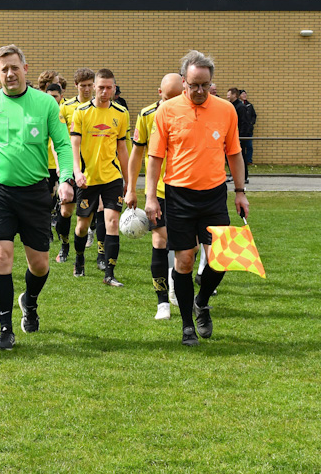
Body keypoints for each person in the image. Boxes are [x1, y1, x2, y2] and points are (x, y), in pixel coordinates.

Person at [0, 45, 74, 351]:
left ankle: (30, 301)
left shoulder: (46, 105)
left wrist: (65, 180)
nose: (9, 73)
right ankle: (5, 329)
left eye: (14, 67)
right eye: (3, 69)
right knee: (1, 257)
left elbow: (62, 145)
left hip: (35, 193)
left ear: (25, 67)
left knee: (39, 265)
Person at [145, 50, 248, 346]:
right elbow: (154, 159)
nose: (200, 91)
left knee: (222, 258)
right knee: (185, 260)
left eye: (205, 85)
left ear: (211, 82)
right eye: (193, 85)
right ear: (183, 82)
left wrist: (240, 192)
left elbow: (235, 153)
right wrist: (150, 198)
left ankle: (201, 302)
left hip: (215, 194)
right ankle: (187, 326)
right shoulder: (166, 111)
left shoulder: (227, 110)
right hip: (178, 196)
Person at [125, 73, 184, 320]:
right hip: (157, 191)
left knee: (185, 248)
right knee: (160, 242)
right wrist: (131, 188)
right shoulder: (147, 115)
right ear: (160, 93)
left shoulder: (190, 112)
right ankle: (162, 303)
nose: (172, 102)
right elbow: (137, 154)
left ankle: (177, 289)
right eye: (168, 97)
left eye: (177, 96)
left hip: (184, 190)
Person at [69, 69, 129, 285]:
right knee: (82, 226)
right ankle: (79, 259)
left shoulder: (121, 113)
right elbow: (74, 145)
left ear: (114, 88)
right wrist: (77, 172)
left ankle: (109, 274)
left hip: (112, 177)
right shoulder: (81, 112)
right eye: (101, 87)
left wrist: (129, 181)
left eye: (109, 87)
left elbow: (122, 149)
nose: (104, 91)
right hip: (87, 178)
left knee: (112, 222)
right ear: (94, 87)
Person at [55, 68, 95, 264]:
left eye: (90, 85)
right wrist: (60, 167)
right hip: (72, 166)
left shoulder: (102, 107)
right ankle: (64, 246)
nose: (87, 89)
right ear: (77, 86)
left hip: (95, 167)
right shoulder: (66, 107)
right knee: (65, 211)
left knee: (95, 211)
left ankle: (99, 253)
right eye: (83, 86)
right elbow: (58, 140)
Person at [227, 88, 250, 184]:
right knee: (231, 156)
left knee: (241, 157)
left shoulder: (240, 107)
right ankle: (234, 174)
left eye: (229, 95)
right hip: (233, 136)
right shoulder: (232, 106)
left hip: (239, 136)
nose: (227, 96)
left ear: (234, 95)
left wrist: (241, 137)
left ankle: (244, 176)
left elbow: (244, 123)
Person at [239, 89, 257, 166]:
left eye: (245, 94)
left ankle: (248, 161)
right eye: (243, 94)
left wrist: (251, 122)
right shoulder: (238, 106)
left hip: (248, 130)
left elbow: (254, 115)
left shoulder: (249, 106)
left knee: (249, 146)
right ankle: (240, 161)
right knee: (240, 147)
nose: (244, 95)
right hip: (240, 130)